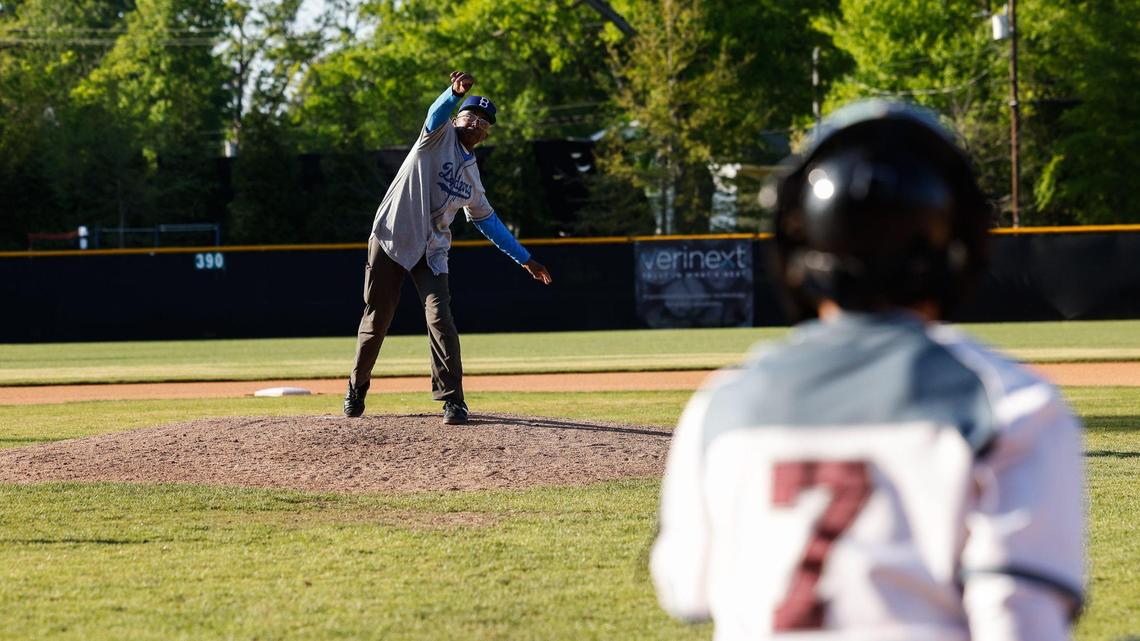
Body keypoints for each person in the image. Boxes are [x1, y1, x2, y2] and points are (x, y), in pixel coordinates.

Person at [650, 100, 1085, 641]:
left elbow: (686, 588)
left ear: (797, 242)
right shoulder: (1010, 404)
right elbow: (1019, 624)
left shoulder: (724, 403)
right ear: (962, 243)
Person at [344, 71, 553, 424]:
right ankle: (356, 386)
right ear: (457, 119)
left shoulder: (472, 178)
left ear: (485, 135)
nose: (475, 123)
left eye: (483, 122)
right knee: (377, 319)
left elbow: (488, 222)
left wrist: (525, 259)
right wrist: (453, 93)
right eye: (470, 116)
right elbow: (435, 112)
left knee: (441, 319)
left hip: (432, 251)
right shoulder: (435, 136)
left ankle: (453, 400)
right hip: (393, 237)